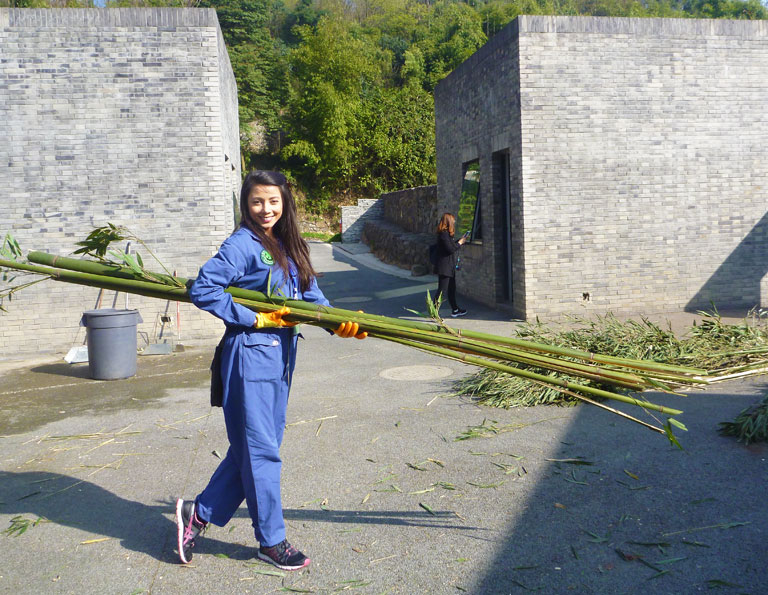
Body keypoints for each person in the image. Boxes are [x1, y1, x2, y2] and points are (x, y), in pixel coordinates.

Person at [176, 170, 366, 571]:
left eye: (273, 201)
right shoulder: (242, 244)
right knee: (261, 452)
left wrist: (341, 323)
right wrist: (254, 318)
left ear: (285, 203)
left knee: (254, 449)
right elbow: (204, 289)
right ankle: (271, 541)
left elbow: (310, 297)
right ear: (246, 204)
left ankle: (200, 513)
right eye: (257, 201)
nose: (266, 209)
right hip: (249, 356)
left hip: (279, 359)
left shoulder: (287, 244)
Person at [433, 212, 467, 318]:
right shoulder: (443, 234)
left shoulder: (447, 234)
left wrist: (459, 241)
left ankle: (455, 309)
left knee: (452, 288)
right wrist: (460, 243)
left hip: (449, 266)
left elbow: (450, 245)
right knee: (442, 290)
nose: (455, 222)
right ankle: (434, 312)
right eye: (453, 220)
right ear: (449, 222)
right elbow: (450, 249)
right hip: (444, 267)